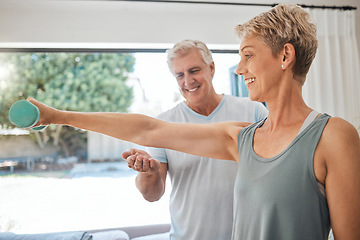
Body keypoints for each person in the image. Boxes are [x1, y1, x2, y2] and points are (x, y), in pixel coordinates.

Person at [25, 4, 360, 240]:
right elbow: (149, 129)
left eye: (248, 55)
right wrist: (58, 116)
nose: (240, 69)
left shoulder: (333, 137)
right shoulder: (242, 138)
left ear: (285, 56)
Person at [121, 40, 268, 240]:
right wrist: (149, 171)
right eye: (180, 75)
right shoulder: (164, 124)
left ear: (212, 68)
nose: (188, 81)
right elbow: (152, 195)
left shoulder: (253, 111)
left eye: (194, 71)